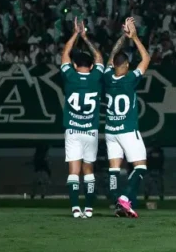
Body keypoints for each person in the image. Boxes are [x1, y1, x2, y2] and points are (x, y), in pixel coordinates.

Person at [104, 16, 151, 218]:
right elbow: (146, 59)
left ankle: (117, 201)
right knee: (140, 166)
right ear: (125, 66)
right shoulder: (130, 79)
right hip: (128, 130)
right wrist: (134, 38)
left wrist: (122, 39)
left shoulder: (106, 76)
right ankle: (125, 197)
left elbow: (111, 58)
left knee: (114, 168)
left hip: (110, 131)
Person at [60, 17, 105, 218]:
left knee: (73, 171)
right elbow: (100, 57)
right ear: (91, 66)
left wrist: (75, 34)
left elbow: (64, 54)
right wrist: (86, 38)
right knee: (89, 171)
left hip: (73, 130)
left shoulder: (70, 76)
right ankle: (89, 208)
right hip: (91, 131)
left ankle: (75, 208)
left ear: (76, 65)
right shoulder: (96, 77)